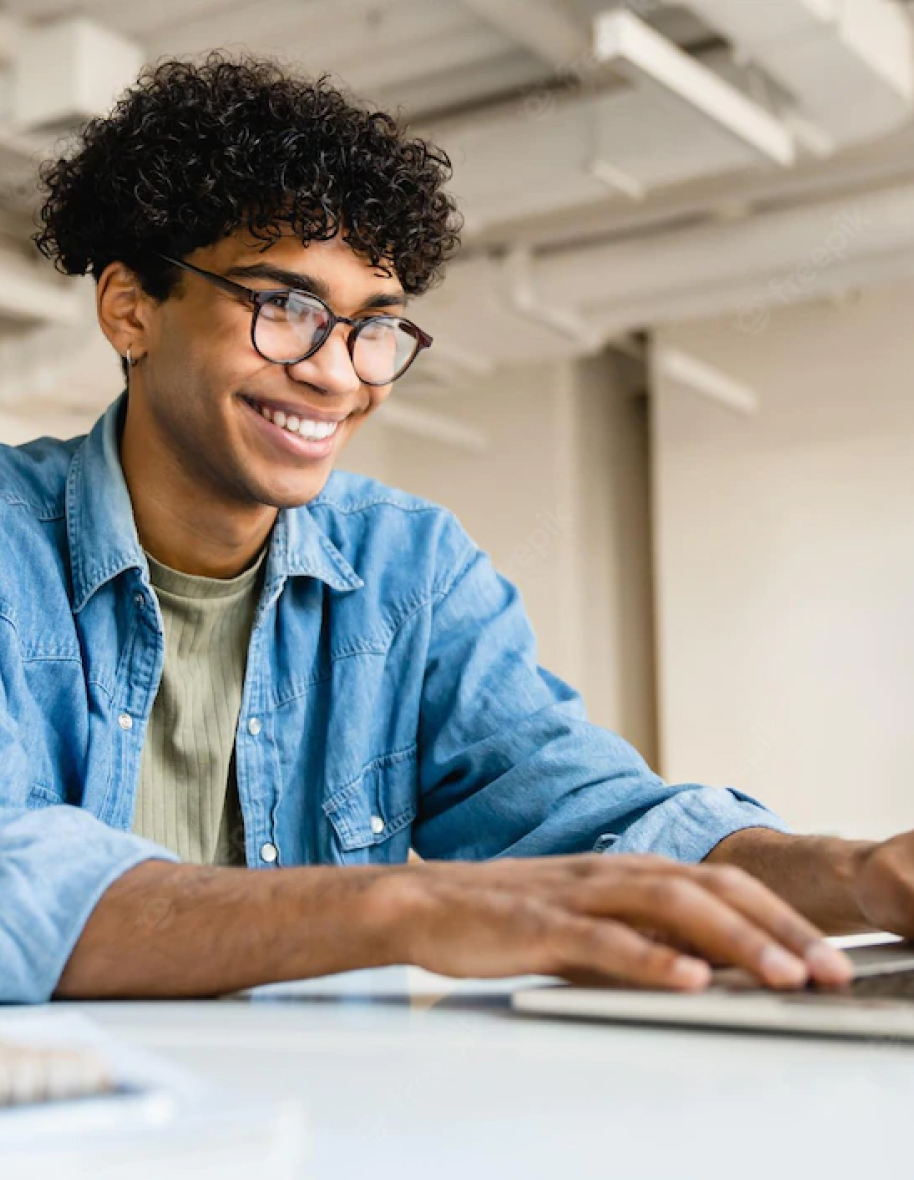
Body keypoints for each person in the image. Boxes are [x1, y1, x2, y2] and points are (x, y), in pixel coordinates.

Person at [0, 55, 908, 1005]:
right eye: (286, 308)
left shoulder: (411, 570)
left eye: (372, 326)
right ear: (129, 307)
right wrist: (403, 907)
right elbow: (22, 884)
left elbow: (599, 824)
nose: (338, 373)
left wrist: (865, 874)